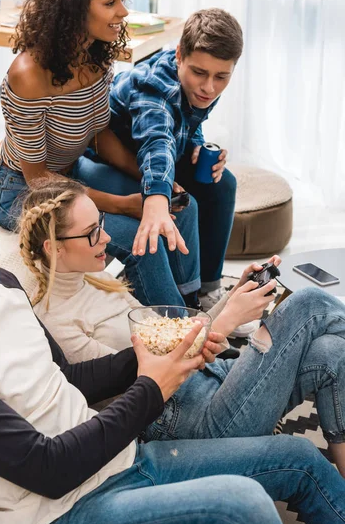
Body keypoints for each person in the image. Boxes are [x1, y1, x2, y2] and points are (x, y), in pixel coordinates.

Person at [0, 168, 345, 524]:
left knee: (299, 455)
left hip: (121, 459)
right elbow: (49, 469)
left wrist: (163, 350)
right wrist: (153, 382)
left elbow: (70, 378)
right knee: (247, 505)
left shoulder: (3, 288)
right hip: (64, 512)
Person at [20, 177, 345, 481]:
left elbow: (169, 334)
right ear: (54, 247)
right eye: (92, 232)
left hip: (214, 380)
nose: (106, 237)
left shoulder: (95, 278)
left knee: (331, 352)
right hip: (193, 422)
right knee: (308, 303)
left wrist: (233, 296)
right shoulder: (58, 324)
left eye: (101, 223)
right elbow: (149, 382)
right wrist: (227, 319)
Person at [0, 0, 204, 312]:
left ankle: (191, 306)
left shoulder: (98, 58)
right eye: (110, 2)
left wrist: (155, 185)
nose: (122, 12)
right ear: (73, 10)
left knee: (179, 205)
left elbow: (101, 137)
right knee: (143, 237)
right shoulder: (28, 75)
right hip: (22, 190)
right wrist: (123, 204)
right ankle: (181, 338)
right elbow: (38, 178)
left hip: (71, 174)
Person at [81, 7, 241, 312]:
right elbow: (157, 142)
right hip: (107, 160)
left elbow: (183, 125)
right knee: (180, 205)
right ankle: (182, 303)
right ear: (179, 55)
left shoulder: (201, 84)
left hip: (152, 158)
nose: (209, 87)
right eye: (200, 73)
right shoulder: (154, 88)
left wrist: (195, 145)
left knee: (223, 184)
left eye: (222, 76)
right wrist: (156, 198)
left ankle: (207, 290)